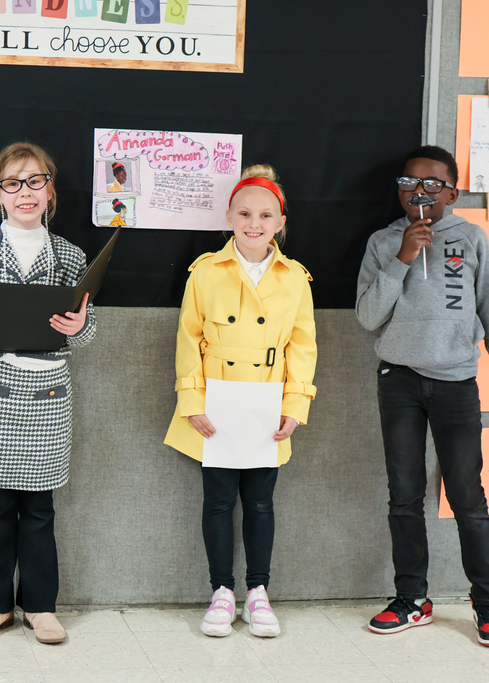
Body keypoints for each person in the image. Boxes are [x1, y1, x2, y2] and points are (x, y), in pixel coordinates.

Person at [356, 145, 489, 648]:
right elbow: (368, 316)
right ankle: (412, 599)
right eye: (410, 182)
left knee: (467, 496)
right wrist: (404, 257)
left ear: (452, 193)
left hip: (457, 383)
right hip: (400, 381)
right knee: (404, 495)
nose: (420, 192)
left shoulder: (472, 239)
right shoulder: (382, 243)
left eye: (432, 184)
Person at [0, 142, 95, 645]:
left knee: (39, 509)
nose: (25, 192)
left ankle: (40, 607)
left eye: (35, 181)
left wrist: (79, 324)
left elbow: (89, 330)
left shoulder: (72, 256)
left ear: (50, 189)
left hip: (47, 391)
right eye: (13, 183)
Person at [164, 165, 317, 639]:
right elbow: (187, 339)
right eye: (245, 212)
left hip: (266, 404)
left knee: (261, 503)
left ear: (280, 221)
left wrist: (296, 405)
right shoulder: (206, 272)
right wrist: (192, 400)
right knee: (217, 501)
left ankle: (258, 592)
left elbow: (303, 346)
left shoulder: (294, 278)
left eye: (265, 215)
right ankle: (221, 591)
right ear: (229, 215)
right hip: (217, 402)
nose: (254, 223)